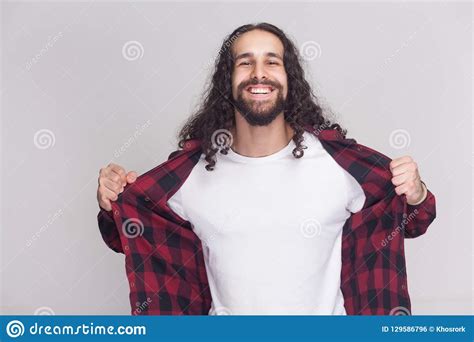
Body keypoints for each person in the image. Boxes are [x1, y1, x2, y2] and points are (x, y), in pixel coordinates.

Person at [96, 23, 436, 315]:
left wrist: (417, 194)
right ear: (227, 82)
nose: (259, 73)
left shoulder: (339, 164)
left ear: (289, 79)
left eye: (272, 62)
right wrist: (112, 202)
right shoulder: (189, 175)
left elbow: (411, 219)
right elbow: (129, 234)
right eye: (245, 63)